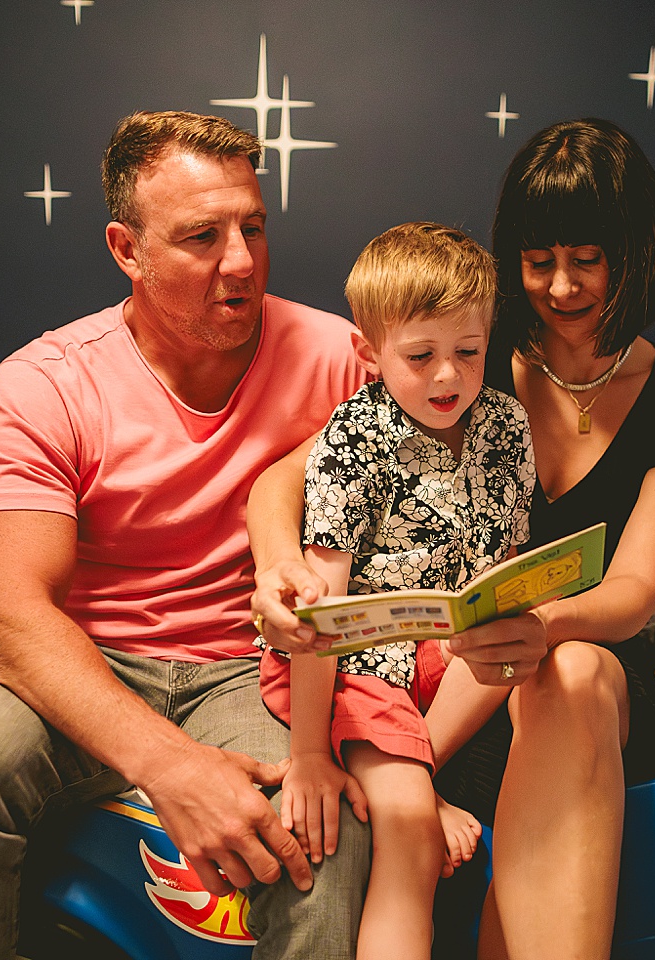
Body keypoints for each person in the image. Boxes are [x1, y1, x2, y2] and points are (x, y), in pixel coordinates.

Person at [0, 110, 373, 960]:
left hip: (255, 670)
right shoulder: (44, 385)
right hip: (80, 663)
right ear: (126, 250)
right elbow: (9, 621)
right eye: (201, 236)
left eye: (252, 226)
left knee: (326, 825)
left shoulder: (341, 357)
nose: (241, 260)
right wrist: (170, 767)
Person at [249, 117, 655, 959]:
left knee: (567, 667)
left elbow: (633, 594)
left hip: (577, 679)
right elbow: (286, 481)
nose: (562, 287)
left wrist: (540, 630)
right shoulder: (462, 352)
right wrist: (280, 570)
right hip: (449, 687)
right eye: (539, 262)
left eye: (588, 258)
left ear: (637, 250)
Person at [257, 222, 537, 959]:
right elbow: (322, 614)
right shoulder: (353, 437)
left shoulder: (506, 426)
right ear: (370, 355)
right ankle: (415, 793)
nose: (448, 377)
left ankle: (420, 776)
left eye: (468, 353)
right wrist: (312, 754)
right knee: (411, 835)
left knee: (519, 646)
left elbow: (501, 577)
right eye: (421, 357)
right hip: (357, 663)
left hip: (456, 658)